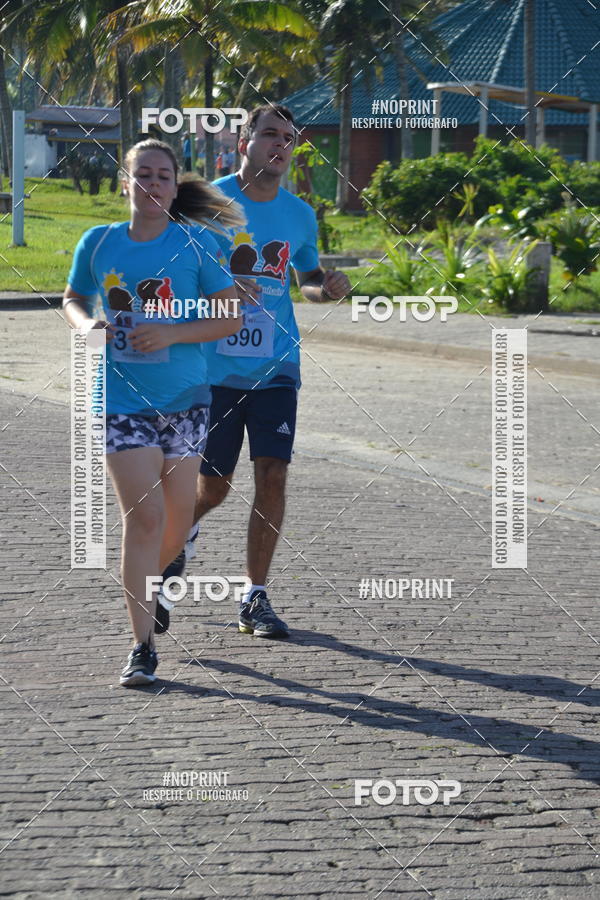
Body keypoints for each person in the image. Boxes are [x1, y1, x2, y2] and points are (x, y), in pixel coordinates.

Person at [160, 104, 351, 640]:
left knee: (273, 474)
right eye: (270, 135)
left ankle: (254, 596)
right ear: (245, 141)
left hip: (276, 365)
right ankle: (180, 539)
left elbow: (308, 279)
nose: (281, 146)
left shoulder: (299, 214)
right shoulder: (205, 202)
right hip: (213, 367)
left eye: (289, 139)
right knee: (214, 487)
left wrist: (326, 290)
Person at [62, 138, 244, 687]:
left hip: (186, 401)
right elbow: (72, 296)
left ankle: (160, 577)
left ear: (173, 184)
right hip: (121, 400)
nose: (153, 184)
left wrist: (170, 332)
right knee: (142, 519)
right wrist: (85, 325)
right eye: (143, 174)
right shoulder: (99, 242)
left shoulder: (196, 245)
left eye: (163, 176)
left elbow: (229, 318)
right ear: (126, 182)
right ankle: (141, 648)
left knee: (176, 521)